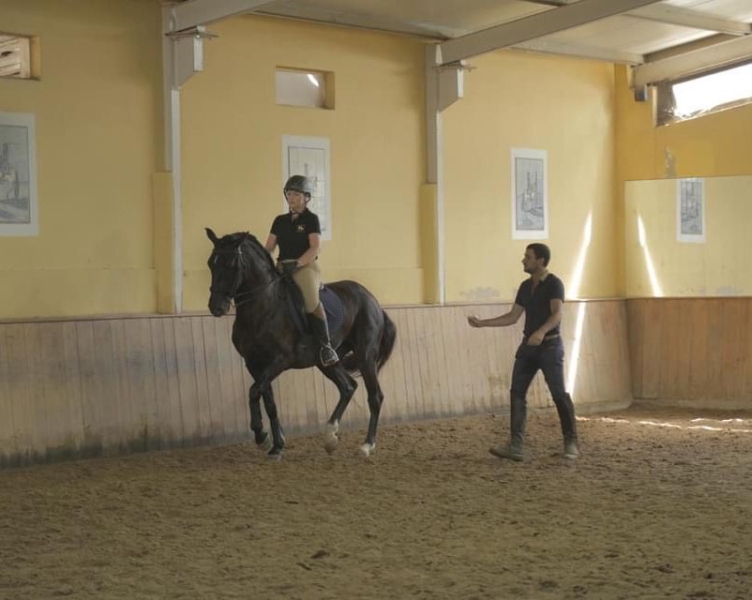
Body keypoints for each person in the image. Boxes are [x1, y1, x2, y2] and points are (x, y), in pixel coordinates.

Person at [467, 243, 579, 461]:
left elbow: (557, 314)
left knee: (558, 394)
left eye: (528, 257)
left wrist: (541, 331)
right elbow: (512, 316)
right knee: (517, 392)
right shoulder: (525, 287)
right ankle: (516, 444)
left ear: (540, 261)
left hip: (550, 346)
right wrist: (482, 324)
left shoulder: (555, 284)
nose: (523, 260)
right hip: (528, 346)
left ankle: (571, 441)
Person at [264, 175, 338, 367]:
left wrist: (297, 264)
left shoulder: (311, 219)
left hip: (305, 266)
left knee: (311, 301)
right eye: (288, 193)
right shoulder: (279, 220)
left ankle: (326, 346)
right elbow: (269, 248)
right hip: (281, 266)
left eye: (296, 194)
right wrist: (263, 262)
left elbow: (315, 248)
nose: (291, 197)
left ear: (306, 197)